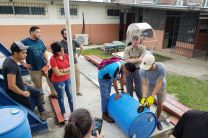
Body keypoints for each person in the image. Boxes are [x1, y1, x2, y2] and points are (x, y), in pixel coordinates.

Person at [2, 41, 49, 120]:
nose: (26, 55)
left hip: (21, 85)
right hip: (17, 92)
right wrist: (23, 93)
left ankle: (42, 112)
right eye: (23, 53)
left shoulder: (10, 59)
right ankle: (33, 119)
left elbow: (13, 78)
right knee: (29, 110)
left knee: (37, 92)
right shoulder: (11, 65)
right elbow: (11, 86)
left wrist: (21, 81)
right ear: (15, 53)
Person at [21, 26, 57, 103]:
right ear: (32, 32)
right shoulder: (24, 42)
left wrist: (47, 61)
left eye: (40, 32)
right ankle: (41, 99)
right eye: (38, 32)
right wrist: (23, 63)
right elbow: (16, 52)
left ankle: (54, 94)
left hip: (44, 66)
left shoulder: (40, 41)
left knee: (51, 80)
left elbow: (43, 52)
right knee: (38, 85)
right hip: (34, 69)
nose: (40, 34)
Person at [98, 59, 137, 123]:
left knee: (108, 92)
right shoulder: (115, 69)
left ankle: (106, 108)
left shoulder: (123, 64)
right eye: (127, 72)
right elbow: (115, 83)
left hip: (109, 76)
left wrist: (122, 90)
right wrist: (118, 93)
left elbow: (122, 79)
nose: (127, 74)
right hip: (102, 77)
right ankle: (104, 114)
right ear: (125, 68)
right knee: (105, 96)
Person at [139, 54, 166, 130]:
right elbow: (144, 85)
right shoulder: (142, 70)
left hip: (161, 85)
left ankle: (157, 120)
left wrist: (152, 96)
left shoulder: (161, 68)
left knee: (160, 104)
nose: (146, 69)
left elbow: (159, 83)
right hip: (150, 85)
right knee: (147, 103)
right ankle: (148, 118)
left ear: (153, 63)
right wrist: (144, 98)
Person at [50, 42, 74, 120]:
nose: (63, 51)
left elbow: (71, 67)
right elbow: (57, 74)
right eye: (61, 50)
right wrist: (67, 70)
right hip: (58, 81)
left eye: (63, 49)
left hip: (67, 79)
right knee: (61, 98)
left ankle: (73, 111)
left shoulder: (66, 56)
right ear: (56, 52)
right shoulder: (52, 59)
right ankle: (63, 113)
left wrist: (62, 70)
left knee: (70, 96)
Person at [59, 28, 83, 96]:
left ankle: (77, 91)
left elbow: (81, 47)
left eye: (68, 33)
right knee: (67, 76)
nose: (67, 35)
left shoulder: (74, 41)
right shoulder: (60, 43)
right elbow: (60, 54)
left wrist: (78, 55)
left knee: (77, 75)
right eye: (65, 34)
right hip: (66, 63)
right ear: (62, 35)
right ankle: (68, 90)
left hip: (74, 62)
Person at [123, 35, 146, 101]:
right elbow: (126, 61)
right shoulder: (127, 49)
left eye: (138, 43)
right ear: (132, 41)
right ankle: (130, 101)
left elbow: (142, 59)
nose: (137, 44)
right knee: (129, 87)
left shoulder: (143, 48)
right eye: (135, 43)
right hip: (129, 70)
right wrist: (138, 59)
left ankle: (141, 102)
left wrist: (131, 60)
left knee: (139, 87)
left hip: (138, 69)